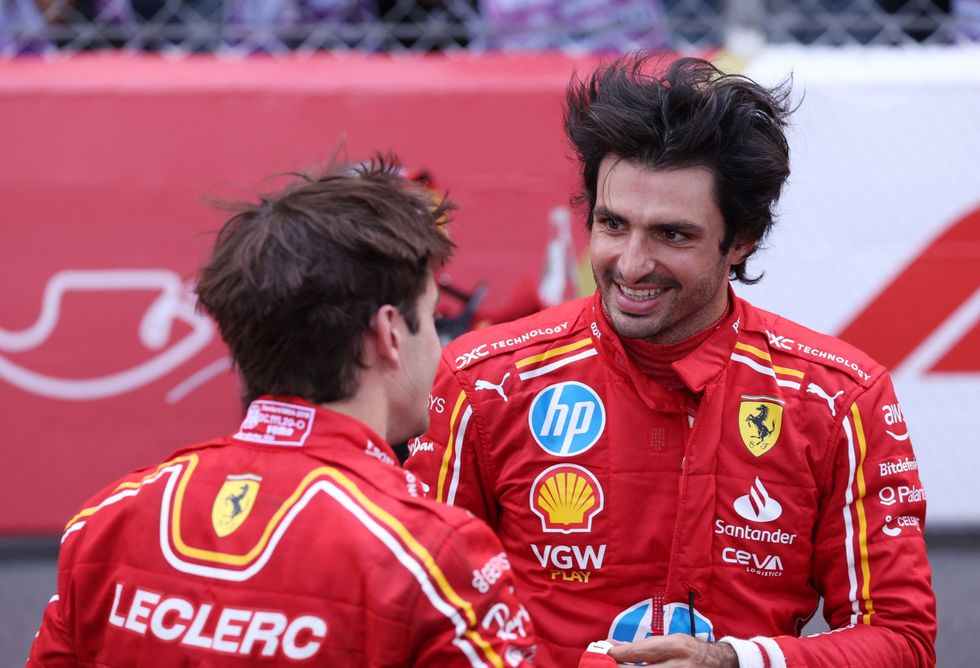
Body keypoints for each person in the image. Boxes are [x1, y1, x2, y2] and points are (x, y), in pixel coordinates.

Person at [404, 56, 937, 667]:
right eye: (612, 224)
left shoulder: (841, 397)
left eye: (672, 235)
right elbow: (423, 617)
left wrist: (737, 662)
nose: (631, 263)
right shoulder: (485, 380)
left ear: (740, 239)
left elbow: (902, 639)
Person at [27, 158, 540, 666]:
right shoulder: (431, 552)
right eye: (428, 318)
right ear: (389, 333)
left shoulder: (107, 521)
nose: (437, 343)